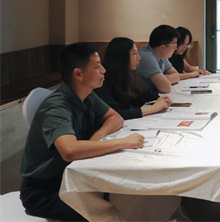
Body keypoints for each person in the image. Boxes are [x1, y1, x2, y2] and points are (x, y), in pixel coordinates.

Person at [20, 43, 145, 220]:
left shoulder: (86, 94)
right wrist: (123, 142)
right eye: (97, 66)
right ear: (78, 74)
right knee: (116, 211)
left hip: (76, 175)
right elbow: (70, 151)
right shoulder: (57, 107)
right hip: (45, 191)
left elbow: (115, 118)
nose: (103, 70)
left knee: (133, 194)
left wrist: (97, 137)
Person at [95, 37, 173, 120]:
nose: (139, 58)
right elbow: (115, 113)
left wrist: (160, 99)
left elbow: (139, 95)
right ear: (123, 56)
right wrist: (152, 108)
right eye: (135, 54)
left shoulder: (127, 74)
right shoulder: (104, 80)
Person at [136, 24, 181, 93]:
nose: (175, 48)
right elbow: (166, 88)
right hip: (140, 98)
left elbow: (177, 76)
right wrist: (164, 80)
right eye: (174, 44)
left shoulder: (162, 55)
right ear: (162, 47)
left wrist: (163, 78)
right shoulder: (147, 57)